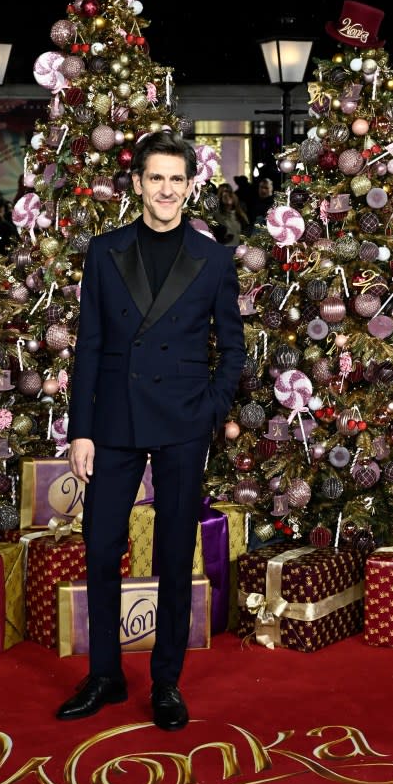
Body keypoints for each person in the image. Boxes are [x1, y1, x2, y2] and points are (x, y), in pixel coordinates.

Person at [58, 130, 245, 731]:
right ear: (137, 183)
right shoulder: (104, 250)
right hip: (111, 421)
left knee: (172, 552)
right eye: (155, 178)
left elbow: (233, 347)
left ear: (190, 188)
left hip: (183, 421)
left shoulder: (214, 258)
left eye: (176, 179)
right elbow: (88, 344)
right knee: (102, 544)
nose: (165, 189)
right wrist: (80, 429)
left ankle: (166, 681)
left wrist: (212, 408)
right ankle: (107, 676)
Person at [213, 182, 248, 246]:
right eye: (222, 194)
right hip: (224, 249)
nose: (226, 194)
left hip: (239, 250)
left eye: (229, 192)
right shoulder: (217, 215)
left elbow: (246, 230)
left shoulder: (240, 213)